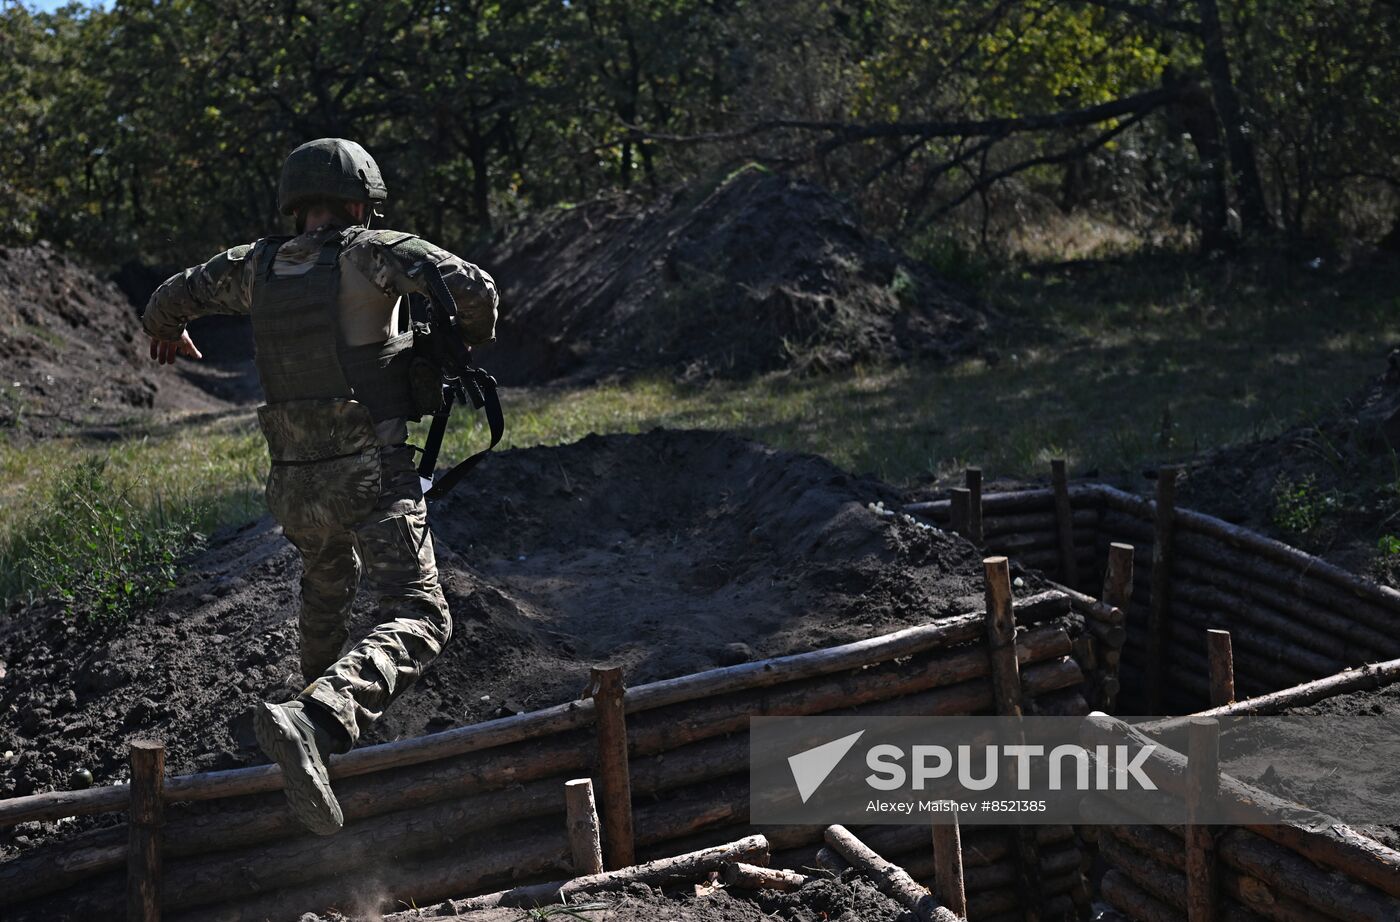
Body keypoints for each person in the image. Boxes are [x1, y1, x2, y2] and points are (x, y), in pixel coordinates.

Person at [141, 138, 498, 835]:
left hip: (294, 484)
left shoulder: (256, 264)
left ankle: (308, 740)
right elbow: (476, 291)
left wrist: (166, 334)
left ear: (296, 205)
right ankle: (317, 718)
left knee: (327, 591)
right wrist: (460, 340)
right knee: (423, 615)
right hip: (371, 469)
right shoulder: (372, 250)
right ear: (360, 202)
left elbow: (169, 299)